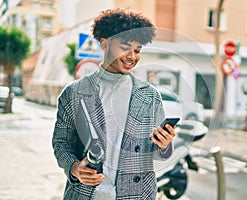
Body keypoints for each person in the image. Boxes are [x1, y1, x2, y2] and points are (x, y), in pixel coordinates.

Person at [52, 8, 176, 200]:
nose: (132, 57)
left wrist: (164, 145)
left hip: (136, 195)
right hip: (85, 194)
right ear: (105, 44)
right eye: (125, 48)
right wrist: (75, 168)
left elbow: (160, 155)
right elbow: (61, 144)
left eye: (137, 50)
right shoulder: (74, 92)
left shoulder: (150, 96)